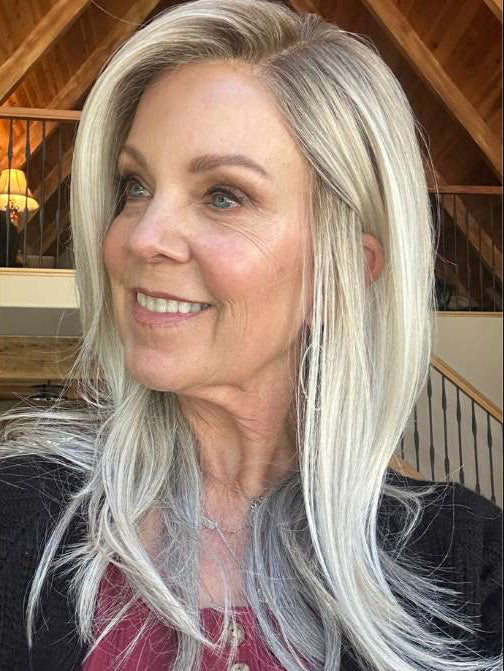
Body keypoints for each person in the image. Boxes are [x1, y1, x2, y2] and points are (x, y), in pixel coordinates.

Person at [0, 1, 501, 669]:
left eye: (223, 195)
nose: (140, 238)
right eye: (135, 186)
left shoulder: (469, 563)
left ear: (338, 272)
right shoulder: (19, 513)